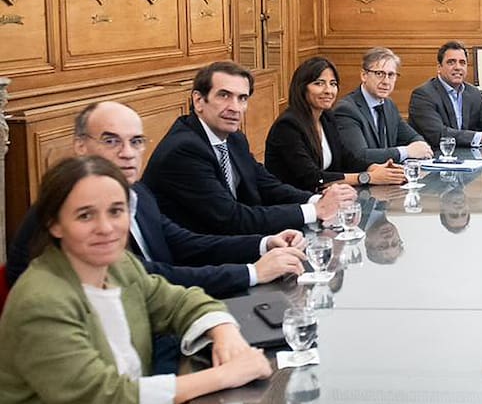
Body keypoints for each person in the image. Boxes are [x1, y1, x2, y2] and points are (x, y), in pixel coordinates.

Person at [0, 156, 272, 404]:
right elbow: (108, 403)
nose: (107, 228)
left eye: (117, 211)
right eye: (85, 215)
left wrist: (225, 333)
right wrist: (227, 374)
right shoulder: (41, 300)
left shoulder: (119, 265)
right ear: (54, 224)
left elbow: (180, 300)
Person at [6, 101, 307, 299]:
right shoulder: (65, 213)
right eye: (111, 141)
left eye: (136, 142)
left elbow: (184, 242)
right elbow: (151, 277)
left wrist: (264, 243)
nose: (127, 152)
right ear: (81, 147)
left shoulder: (138, 193)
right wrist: (253, 272)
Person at [143, 61, 355, 235]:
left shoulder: (234, 138)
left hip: (232, 241)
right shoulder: (184, 150)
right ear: (199, 100)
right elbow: (231, 218)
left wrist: (317, 200)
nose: (235, 107)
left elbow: (266, 184)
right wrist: (313, 211)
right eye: (224, 95)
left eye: (242, 98)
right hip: (197, 259)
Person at [265, 57, 408, 193]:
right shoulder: (288, 126)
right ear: (302, 87)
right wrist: (368, 177)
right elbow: (313, 178)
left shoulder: (326, 117)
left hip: (326, 198)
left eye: (333, 84)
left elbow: (346, 158)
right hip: (294, 205)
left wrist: (375, 168)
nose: (328, 90)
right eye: (319, 83)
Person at [334, 46, 434, 165]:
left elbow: (414, 138)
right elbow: (359, 156)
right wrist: (406, 151)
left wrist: (420, 147)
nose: (386, 81)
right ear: (364, 75)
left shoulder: (388, 105)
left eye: (391, 75)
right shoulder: (346, 109)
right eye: (379, 73)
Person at [408, 41, 482, 148]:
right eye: (451, 62)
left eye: (462, 62)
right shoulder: (423, 95)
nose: (458, 67)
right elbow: (439, 135)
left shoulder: (473, 92)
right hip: (434, 157)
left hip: (468, 157)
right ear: (439, 68)